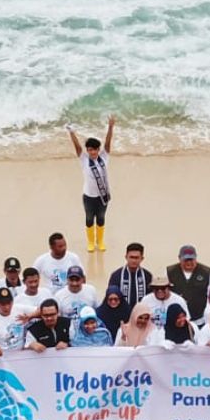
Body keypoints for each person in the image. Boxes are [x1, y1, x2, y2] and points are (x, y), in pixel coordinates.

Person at [66, 116, 115, 252]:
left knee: (100, 218)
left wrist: (110, 127)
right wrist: (72, 133)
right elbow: (77, 147)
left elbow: (108, 142)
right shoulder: (84, 160)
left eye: (95, 149)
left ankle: (100, 241)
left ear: (98, 150)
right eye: (90, 149)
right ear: (87, 150)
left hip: (102, 196)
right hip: (88, 196)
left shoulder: (104, 158)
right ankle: (90, 242)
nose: (93, 152)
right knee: (89, 219)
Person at [167, 245, 210, 325]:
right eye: (186, 260)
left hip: (200, 321)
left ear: (196, 258)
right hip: (176, 322)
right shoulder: (169, 272)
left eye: (191, 259)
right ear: (179, 258)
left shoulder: (207, 272)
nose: (189, 262)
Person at [0, 288, 29, 356]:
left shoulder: (19, 309)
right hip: (5, 359)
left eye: (9, 303)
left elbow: (41, 309)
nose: (7, 307)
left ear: (12, 302)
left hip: (22, 355)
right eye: (3, 304)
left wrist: (30, 316)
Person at [108, 242, 153, 307]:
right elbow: (111, 297)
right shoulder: (116, 275)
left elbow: (151, 298)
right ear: (126, 257)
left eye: (136, 258)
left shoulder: (147, 276)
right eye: (131, 257)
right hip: (122, 314)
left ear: (142, 258)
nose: (134, 261)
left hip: (142, 315)